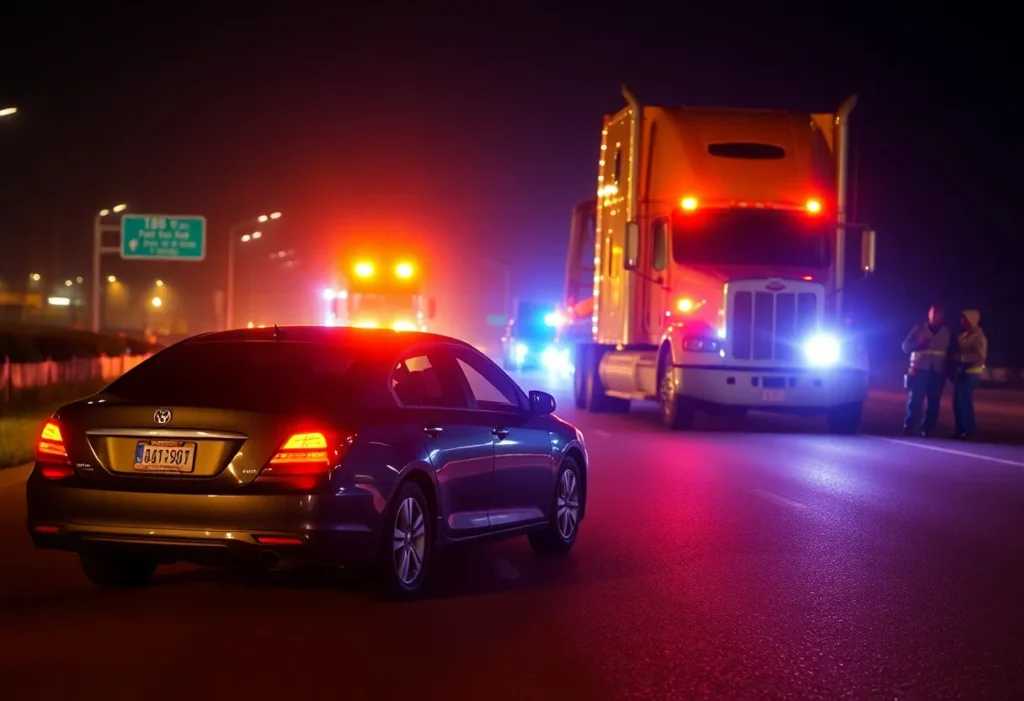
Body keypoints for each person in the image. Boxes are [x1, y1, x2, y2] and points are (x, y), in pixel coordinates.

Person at [901, 304, 951, 436]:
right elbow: (905, 347)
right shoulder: (919, 329)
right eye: (932, 313)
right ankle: (909, 426)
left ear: (942, 316)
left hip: (937, 371)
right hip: (920, 369)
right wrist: (918, 344)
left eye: (937, 313)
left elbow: (950, 353)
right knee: (915, 399)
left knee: (934, 401)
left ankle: (928, 429)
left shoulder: (947, 332)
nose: (934, 316)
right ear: (928, 314)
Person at [950, 309, 987, 440]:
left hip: (972, 373)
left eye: (964, 318)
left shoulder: (979, 337)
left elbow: (980, 355)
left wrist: (961, 358)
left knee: (964, 401)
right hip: (961, 372)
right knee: (957, 402)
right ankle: (959, 429)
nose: (962, 321)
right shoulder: (963, 335)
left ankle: (969, 430)